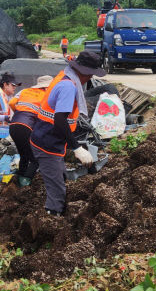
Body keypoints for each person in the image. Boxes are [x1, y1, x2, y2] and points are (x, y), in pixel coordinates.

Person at [30, 51, 105, 215]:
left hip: (47, 137)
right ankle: (52, 216)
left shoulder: (65, 76)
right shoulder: (68, 87)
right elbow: (60, 120)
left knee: (59, 175)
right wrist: (77, 148)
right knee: (56, 188)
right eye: (91, 74)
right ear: (83, 72)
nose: (91, 78)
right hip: (47, 141)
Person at [8, 74, 53, 187]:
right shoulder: (47, 96)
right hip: (26, 128)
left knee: (24, 155)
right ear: (47, 87)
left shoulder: (24, 91)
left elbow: (11, 103)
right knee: (35, 159)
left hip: (14, 125)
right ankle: (25, 184)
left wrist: (19, 113)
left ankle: (18, 180)